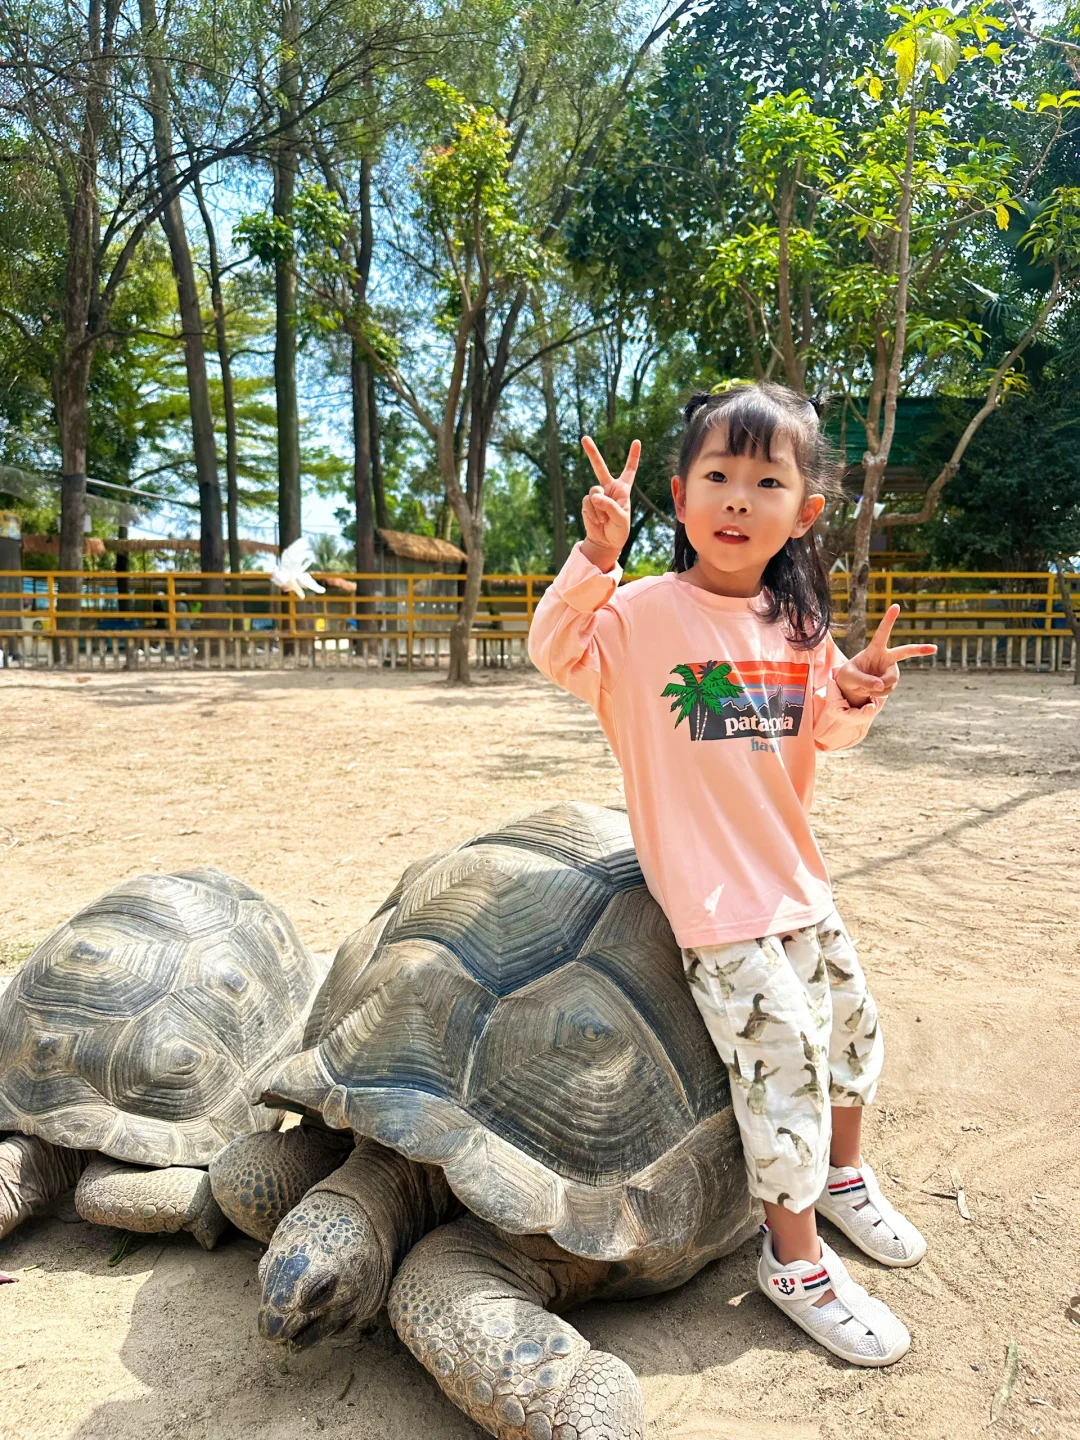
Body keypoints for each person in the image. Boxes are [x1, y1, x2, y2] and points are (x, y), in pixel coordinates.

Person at [529, 382, 936, 1367]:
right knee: (783, 1061)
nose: (739, 498)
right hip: (711, 898)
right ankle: (793, 1261)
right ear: (680, 497)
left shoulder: (796, 623)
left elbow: (824, 730)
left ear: (805, 511)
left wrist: (856, 689)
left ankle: (842, 1180)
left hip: (796, 876)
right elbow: (553, 650)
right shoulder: (639, 616)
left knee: (853, 1032)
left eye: (767, 481)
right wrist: (595, 558)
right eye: (718, 475)